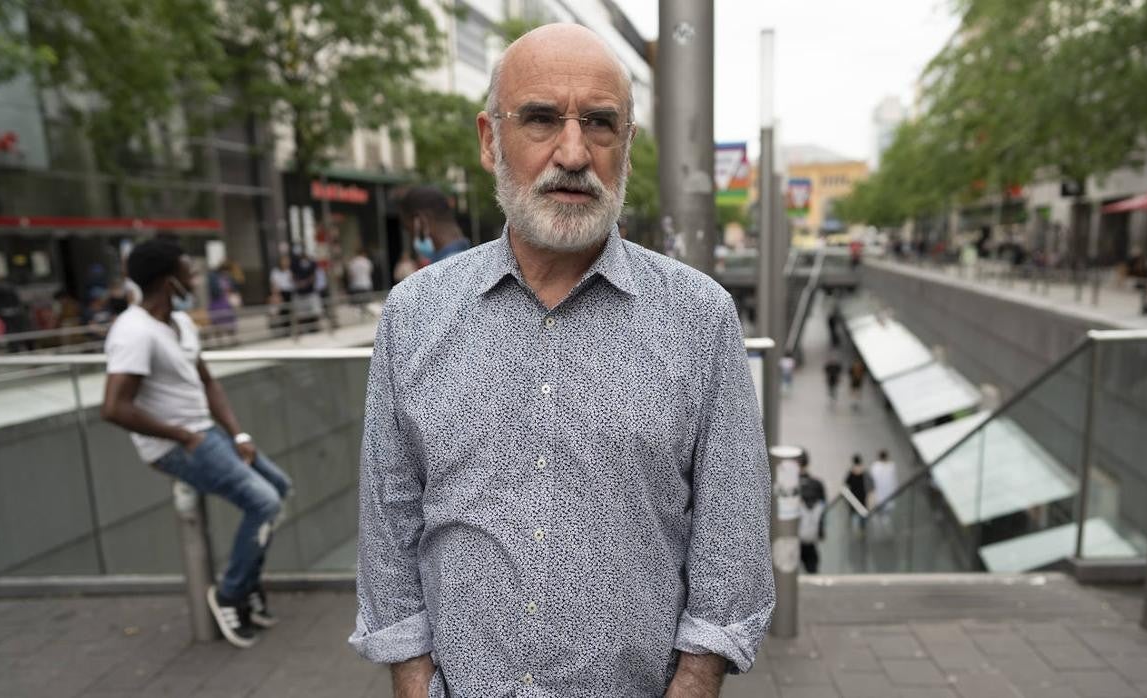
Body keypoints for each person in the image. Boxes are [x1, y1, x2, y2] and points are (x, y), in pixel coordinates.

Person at [350, 25, 774, 698]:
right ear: (490, 139)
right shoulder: (414, 314)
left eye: (600, 124)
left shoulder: (700, 318)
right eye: (542, 119)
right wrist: (413, 680)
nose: (573, 154)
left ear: (626, 144)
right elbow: (389, 522)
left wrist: (696, 681)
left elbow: (733, 538)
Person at [100, 239, 291, 649]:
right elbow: (114, 407)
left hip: (206, 432)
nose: (195, 278)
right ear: (169, 281)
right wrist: (183, 436)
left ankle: (246, 584)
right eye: (188, 272)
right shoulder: (133, 332)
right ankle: (230, 595)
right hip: (175, 445)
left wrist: (238, 434)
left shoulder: (181, 323)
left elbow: (206, 381)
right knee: (264, 503)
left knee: (279, 488)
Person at [399, 185, 472, 264]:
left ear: (420, 221)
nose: (412, 238)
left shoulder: (445, 267)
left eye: (409, 230)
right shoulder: (472, 256)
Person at [797, 452, 827, 575]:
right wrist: (821, 531)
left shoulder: (790, 485)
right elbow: (823, 510)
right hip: (811, 534)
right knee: (812, 567)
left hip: (793, 533)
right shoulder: (817, 484)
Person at [869, 449, 898, 532]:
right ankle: (886, 526)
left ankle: (877, 525)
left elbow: (872, 481)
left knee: (878, 509)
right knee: (886, 512)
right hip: (889, 494)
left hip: (878, 494)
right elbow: (894, 480)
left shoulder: (875, 467)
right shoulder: (892, 466)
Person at [268, 254, 294, 336]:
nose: (286, 263)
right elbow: (273, 284)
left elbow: (292, 283)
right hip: (279, 293)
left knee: (289, 312)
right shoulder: (275, 272)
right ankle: (281, 331)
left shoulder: (290, 271)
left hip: (289, 293)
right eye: (284, 261)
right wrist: (276, 295)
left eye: (287, 261)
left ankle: (289, 330)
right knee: (280, 313)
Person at [845, 454, 870, 533]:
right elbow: (870, 485)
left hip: (853, 498)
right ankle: (863, 531)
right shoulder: (864, 473)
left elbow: (846, 483)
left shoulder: (851, 473)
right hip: (862, 497)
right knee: (862, 516)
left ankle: (854, 533)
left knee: (853, 516)